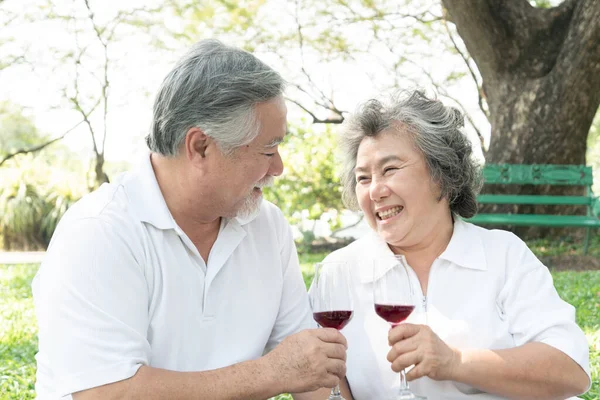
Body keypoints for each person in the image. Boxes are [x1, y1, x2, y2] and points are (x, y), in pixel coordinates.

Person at [32, 39, 351, 400]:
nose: (278, 168)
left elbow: (312, 372)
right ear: (200, 146)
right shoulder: (99, 231)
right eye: (267, 149)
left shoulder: (267, 226)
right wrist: (270, 373)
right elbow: (107, 394)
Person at [322, 90, 591, 399]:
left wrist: (456, 361)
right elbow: (323, 377)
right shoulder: (339, 271)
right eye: (363, 178)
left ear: (442, 174)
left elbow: (570, 371)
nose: (376, 191)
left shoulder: (504, 256)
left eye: (390, 169)